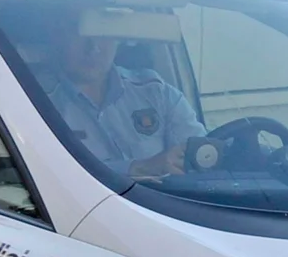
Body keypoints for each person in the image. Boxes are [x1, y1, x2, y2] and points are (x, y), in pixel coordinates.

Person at [37, 12, 204, 178]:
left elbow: (202, 155)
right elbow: (46, 175)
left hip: (167, 203)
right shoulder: (36, 103)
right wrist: (139, 168)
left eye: (103, 35)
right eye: (79, 34)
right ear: (57, 36)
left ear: (119, 39)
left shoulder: (156, 93)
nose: (94, 48)